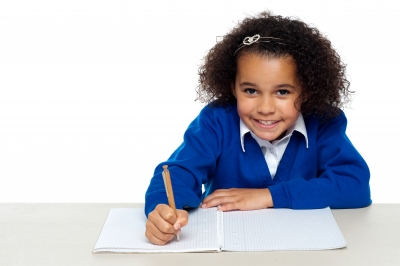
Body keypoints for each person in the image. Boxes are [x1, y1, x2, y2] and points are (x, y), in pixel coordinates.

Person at [144, 11, 371, 245]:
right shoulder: (217, 120)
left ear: (307, 91)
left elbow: (355, 184)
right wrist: (163, 209)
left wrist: (268, 196)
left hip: (301, 250)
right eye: (251, 91)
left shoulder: (323, 122)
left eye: (282, 92)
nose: (265, 108)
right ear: (232, 87)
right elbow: (177, 174)